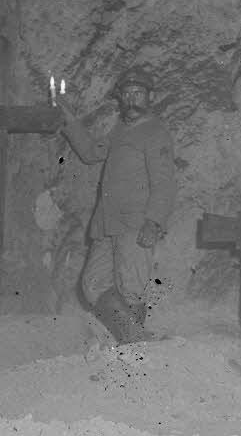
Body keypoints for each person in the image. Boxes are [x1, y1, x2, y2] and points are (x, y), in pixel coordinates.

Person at [58, 66, 177, 343]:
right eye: (127, 93)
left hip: (136, 224)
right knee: (92, 284)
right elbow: (89, 153)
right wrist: (68, 119)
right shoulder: (120, 131)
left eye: (138, 93)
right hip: (107, 224)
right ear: (121, 98)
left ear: (150, 96)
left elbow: (165, 183)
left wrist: (154, 221)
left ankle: (133, 349)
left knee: (131, 289)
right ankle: (136, 339)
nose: (132, 99)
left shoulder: (156, 132)